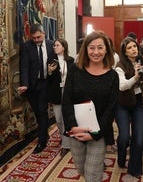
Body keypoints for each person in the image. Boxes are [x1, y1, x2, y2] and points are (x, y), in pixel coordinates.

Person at [61, 31, 119, 181]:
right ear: (85, 49)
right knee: (81, 168)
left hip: (98, 132)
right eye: (92, 48)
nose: (96, 52)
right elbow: (66, 100)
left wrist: (95, 133)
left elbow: (111, 109)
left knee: (92, 174)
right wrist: (72, 126)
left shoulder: (112, 76)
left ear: (107, 50)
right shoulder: (75, 70)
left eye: (100, 48)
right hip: (76, 129)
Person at [115, 36, 143, 178]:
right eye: (129, 48)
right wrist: (135, 77)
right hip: (122, 103)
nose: (133, 49)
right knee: (124, 137)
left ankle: (134, 168)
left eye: (134, 46)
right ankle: (121, 155)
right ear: (125, 52)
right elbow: (122, 86)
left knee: (138, 137)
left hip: (139, 102)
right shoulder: (119, 65)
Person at [18, 24, 56, 154]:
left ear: (44, 34)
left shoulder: (52, 45)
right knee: (38, 111)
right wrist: (24, 84)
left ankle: (42, 141)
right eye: (34, 38)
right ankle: (44, 134)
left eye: (38, 37)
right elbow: (24, 66)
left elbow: (57, 62)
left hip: (46, 83)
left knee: (42, 110)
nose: (36, 40)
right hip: (32, 86)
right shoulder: (26, 46)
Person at [47, 38, 74, 156]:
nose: (54, 47)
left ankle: (65, 145)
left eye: (57, 45)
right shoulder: (51, 60)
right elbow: (49, 80)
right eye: (54, 46)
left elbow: (74, 77)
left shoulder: (71, 60)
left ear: (63, 47)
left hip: (68, 92)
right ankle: (64, 137)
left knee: (66, 118)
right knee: (58, 119)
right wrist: (49, 72)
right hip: (56, 92)